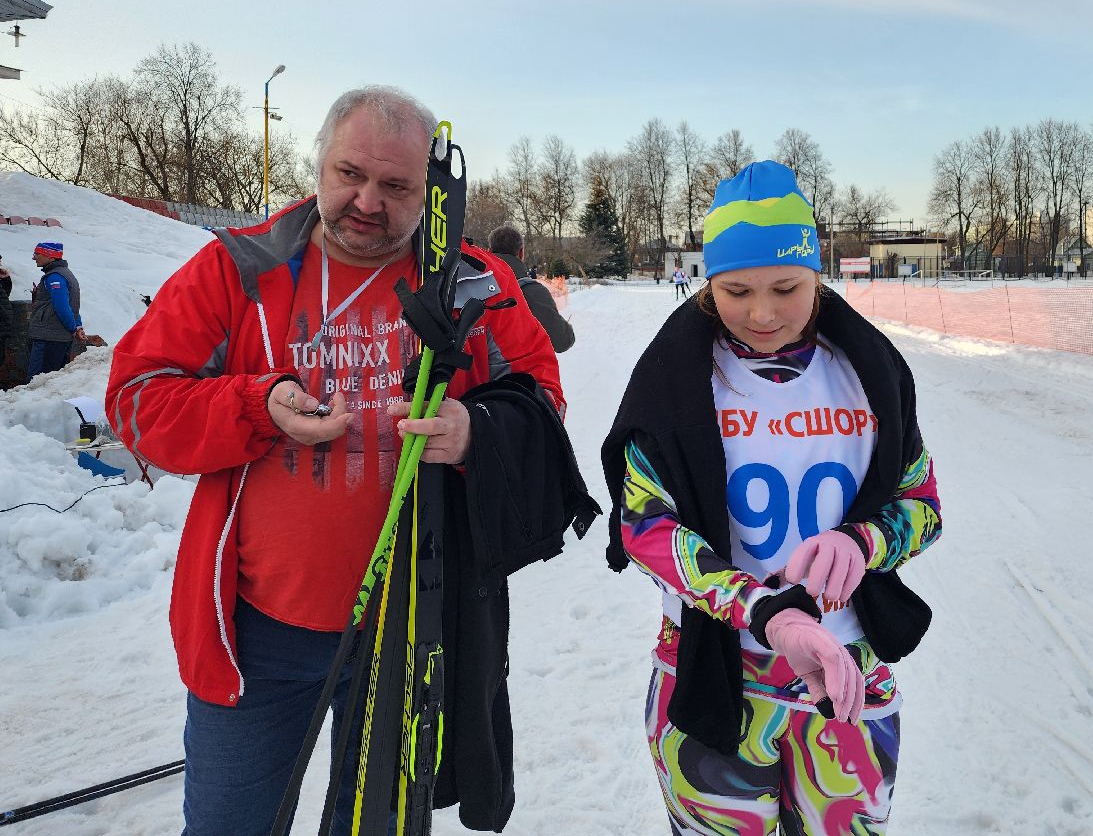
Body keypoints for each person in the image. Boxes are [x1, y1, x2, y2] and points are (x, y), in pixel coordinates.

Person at [105, 86, 571, 836]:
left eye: (396, 186)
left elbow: (542, 400)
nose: (367, 201)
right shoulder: (237, 270)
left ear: (430, 190)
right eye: (349, 173)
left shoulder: (475, 281)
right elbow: (134, 399)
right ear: (319, 161)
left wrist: (474, 429)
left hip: (411, 623)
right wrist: (256, 407)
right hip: (259, 635)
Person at [601, 160, 942, 834]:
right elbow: (643, 528)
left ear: (818, 272)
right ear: (706, 283)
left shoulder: (868, 373)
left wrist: (865, 541)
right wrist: (764, 611)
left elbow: (922, 504)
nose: (762, 313)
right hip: (713, 678)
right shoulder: (673, 381)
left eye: (787, 287)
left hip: (846, 679)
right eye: (735, 291)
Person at [487, 224, 576, 353]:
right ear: (521, 252)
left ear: (489, 251)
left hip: (473, 370)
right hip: (517, 370)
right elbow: (562, 341)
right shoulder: (532, 292)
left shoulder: (465, 286)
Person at [27, 240, 85, 382]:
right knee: (53, 379)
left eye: (37, 254)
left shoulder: (54, 277)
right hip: (58, 337)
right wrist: (77, 326)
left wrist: (73, 328)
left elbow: (62, 306)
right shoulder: (65, 273)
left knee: (38, 380)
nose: (34, 257)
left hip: (49, 337)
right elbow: (73, 306)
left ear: (49, 255)